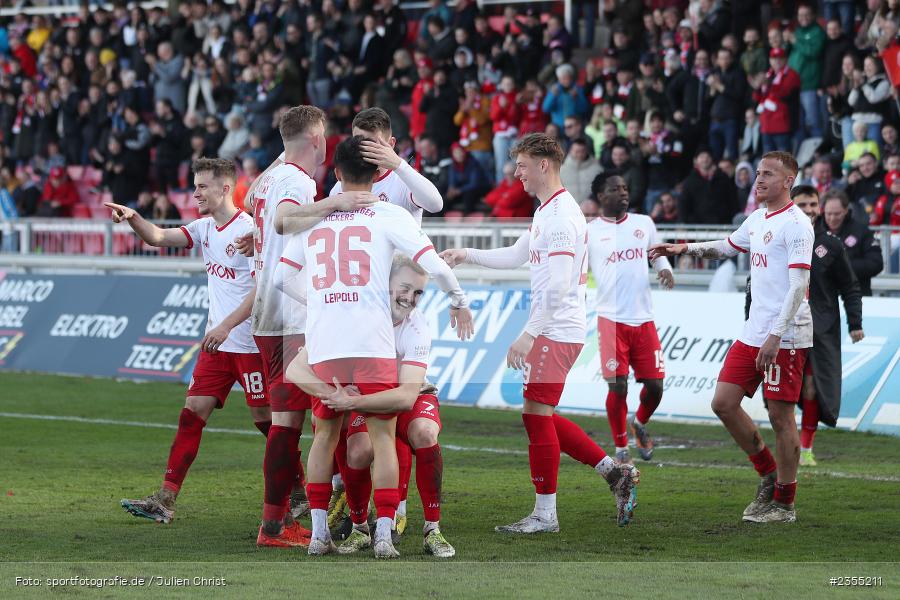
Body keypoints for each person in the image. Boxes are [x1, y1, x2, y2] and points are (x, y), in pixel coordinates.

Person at [280, 135, 473, 558]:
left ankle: (317, 536)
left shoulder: (318, 215)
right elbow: (433, 264)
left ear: (336, 174)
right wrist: (460, 301)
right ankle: (383, 536)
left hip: (327, 339)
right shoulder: (387, 213)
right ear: (378, 174)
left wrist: (320, 302)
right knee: (382, 437)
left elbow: (280, 278)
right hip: (371, 338)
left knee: (325, 435)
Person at [440, 133, 639, 533]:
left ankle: (547, 514)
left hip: (556, 329)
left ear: (543, 165)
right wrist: (467, 254)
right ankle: (613, 473)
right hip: (555, 328)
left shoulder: (562, 216)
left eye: (523, 165)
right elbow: (516, 253)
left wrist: (530, 333)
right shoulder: (549, 211)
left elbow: (561, 284)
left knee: (536, 416)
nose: (517, 174)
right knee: (539, 415)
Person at [650, 151, 814, 524]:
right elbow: (727, 246)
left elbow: (798, 285)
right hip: (754, 330)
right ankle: (768, 474)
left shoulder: (797, 225)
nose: (759, 180)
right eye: (758, 173)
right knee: (723, 402)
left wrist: (775, 336)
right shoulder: (757, 218)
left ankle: (785, 503)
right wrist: (682, 248)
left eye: (769, 174)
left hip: (785, 335)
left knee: (780, 416)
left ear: (788, 181)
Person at [247, 106, 376, 549]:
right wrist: (334, 202)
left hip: (270, 309)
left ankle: (300, 515)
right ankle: (277, 526)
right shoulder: (298, 181)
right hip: (291, 314)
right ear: (318, 139)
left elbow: (256, 208)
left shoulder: (270, 176)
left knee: (305, 419)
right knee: (301, 420)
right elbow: (284, 219)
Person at [113, 158, 268, 524]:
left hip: (248, 345)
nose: (195, 192)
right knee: (191, 414)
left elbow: (260, 292)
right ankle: (165, 500)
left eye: (202, 186)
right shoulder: (203, 228)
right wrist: (134, 218)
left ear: (225, 188)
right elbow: (158, 237)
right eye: (195, 185)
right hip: (217, 347)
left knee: (268, 422)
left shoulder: (247, 232)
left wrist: (226, 326)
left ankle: (297, 492)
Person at [289, 255, 456, 558]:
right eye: (404, 288)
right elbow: (296, 369)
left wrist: (350, 401)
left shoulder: (417, 326)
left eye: (419, 292)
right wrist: (335, 392)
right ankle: (360, 529)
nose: (410, 299)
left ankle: (433, 529)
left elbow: (406, 397)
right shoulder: (352, 314)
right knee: (358, 451)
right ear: (383, 283)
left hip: (411, 393)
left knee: (424, 432)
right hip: (368, 396)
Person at [764, 186, 864, 467]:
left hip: (819, 330)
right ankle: (788, 443)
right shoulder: (775, 239)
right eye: (802, 204)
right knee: (782, 393)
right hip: (780, 330)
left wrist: (855, 322)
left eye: (812, 204)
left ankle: (805, 449)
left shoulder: (830, 245)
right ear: (791, 205)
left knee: (811, 389)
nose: (808, 209)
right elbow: (756, 284)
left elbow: (850, 285)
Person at [586, 172, 674, 463]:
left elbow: (658, 253)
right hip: (610, 320)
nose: (623, 193)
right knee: (618, 385)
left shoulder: (643, 223)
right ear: (601, 196)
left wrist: (665, 268)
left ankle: (640, 423)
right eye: (615, 189)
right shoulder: (589, 232)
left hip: (643, 318)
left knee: (655, 386)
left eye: (625, 188)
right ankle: (622, 448)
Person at [329, 108, 443, 224]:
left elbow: (436, 205)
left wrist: (399, 165)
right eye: (359, 143)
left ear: (391, 144)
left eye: (372, 144)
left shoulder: (404, 180)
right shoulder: (342, 184)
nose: (364, 149)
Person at [821, 189, 884, 296]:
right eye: (829, 214)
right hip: (823, 302)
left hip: (856, 299)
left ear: (846, 210)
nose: (832, 218)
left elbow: (876, 263)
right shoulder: (814, 232)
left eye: (837, 214)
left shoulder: (862, 231)